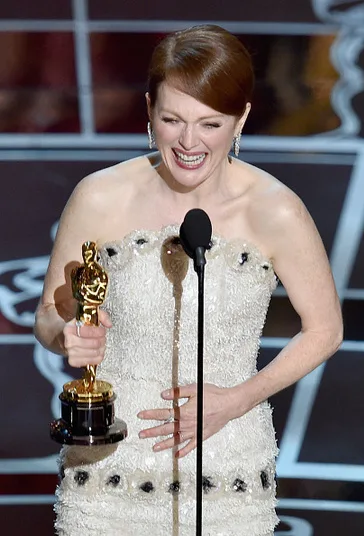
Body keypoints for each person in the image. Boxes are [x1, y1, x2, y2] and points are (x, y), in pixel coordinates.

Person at [34, 24, 343, 536]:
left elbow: (325, 330)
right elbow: (50, 312)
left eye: (210, 123)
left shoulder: (277, 210)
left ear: (241, 117)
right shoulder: (99, 196)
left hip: (226, 472)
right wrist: (65, 334)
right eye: (173, 119)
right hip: (108, 470)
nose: (189, 142)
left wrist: (240, 398)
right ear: (149, 111)